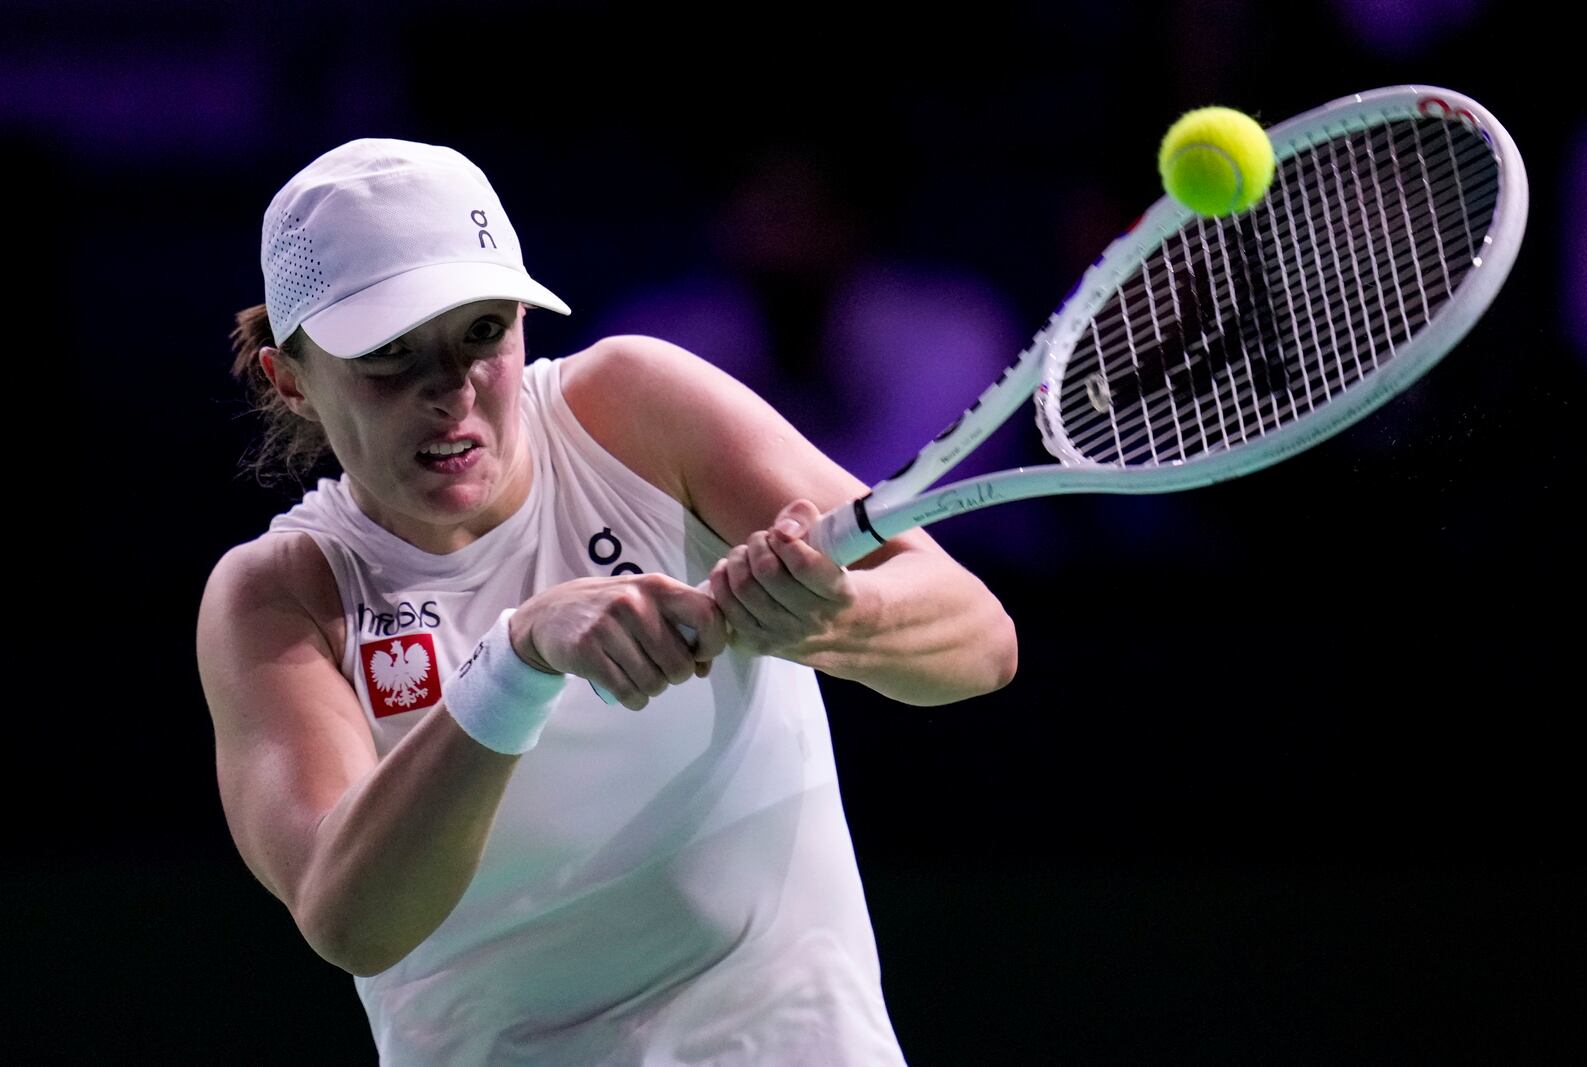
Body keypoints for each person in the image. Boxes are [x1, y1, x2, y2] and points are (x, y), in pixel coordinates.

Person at [197, 138, 1017, 1066]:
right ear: (291, 380)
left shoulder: (634, 408)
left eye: (481, 332)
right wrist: (516, 660)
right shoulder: (280, 597)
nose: (452, 392)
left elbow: (980, 638)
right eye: (391, 357)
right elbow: (352, 916)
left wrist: (830, 619)